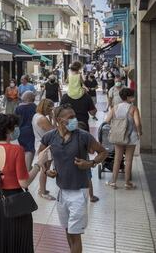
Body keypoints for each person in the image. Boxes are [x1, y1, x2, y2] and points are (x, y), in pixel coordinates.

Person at [39, 105, 108, 253]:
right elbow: (41, 156)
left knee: (75, 234)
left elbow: (103, 152)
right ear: (59, 120)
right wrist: (46, 170)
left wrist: (90, 163)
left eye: (74, 116)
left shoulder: (83, 136)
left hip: (79, 192)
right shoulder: (50, 137)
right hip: (62, 192)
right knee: (68, 230)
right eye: (70, 118)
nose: (74, 120)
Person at [0, 114, 49, 253]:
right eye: (13, 128)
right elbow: (24, 183)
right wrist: (38, 164)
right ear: (8, 130)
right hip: (16, 203)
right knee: (18, 243)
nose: (15, 131)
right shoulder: (16, 150)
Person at [105, 88, 142, 189]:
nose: (133, 98)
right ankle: (127, 183)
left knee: (117, 159)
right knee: (129, 160)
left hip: (119, 136)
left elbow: (107, 120)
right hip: (131, 136)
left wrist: (116, 126)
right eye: (132, 96)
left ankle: (113, 181)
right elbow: (137, 123)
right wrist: (140, 132)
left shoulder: (115, 108)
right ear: (129, 97)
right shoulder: (133, 108)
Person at [32, 99, 56, 201]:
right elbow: (54, 132)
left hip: (39, 143)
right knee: (45, 169)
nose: (51, 111)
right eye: (50, 109)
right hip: (45, 146)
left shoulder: (36, 115)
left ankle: (42, 189)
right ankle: (42, 191)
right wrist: (54, 118)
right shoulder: (43, 119)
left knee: (44, 168)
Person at [77, 121, 99, 203]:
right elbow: (92, 151)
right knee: (88, 179)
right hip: (85, 163)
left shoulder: (71, 140)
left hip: (74, 163)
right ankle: (92, 196)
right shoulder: (86, 140)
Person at [15, 91, 37, 170]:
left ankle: (25, 166)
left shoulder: (18, 108)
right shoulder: (34, 107)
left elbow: (15, 120)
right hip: (30, 130)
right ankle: (28, 167)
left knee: (23, 148)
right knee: (30, 149)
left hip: (20, 131)